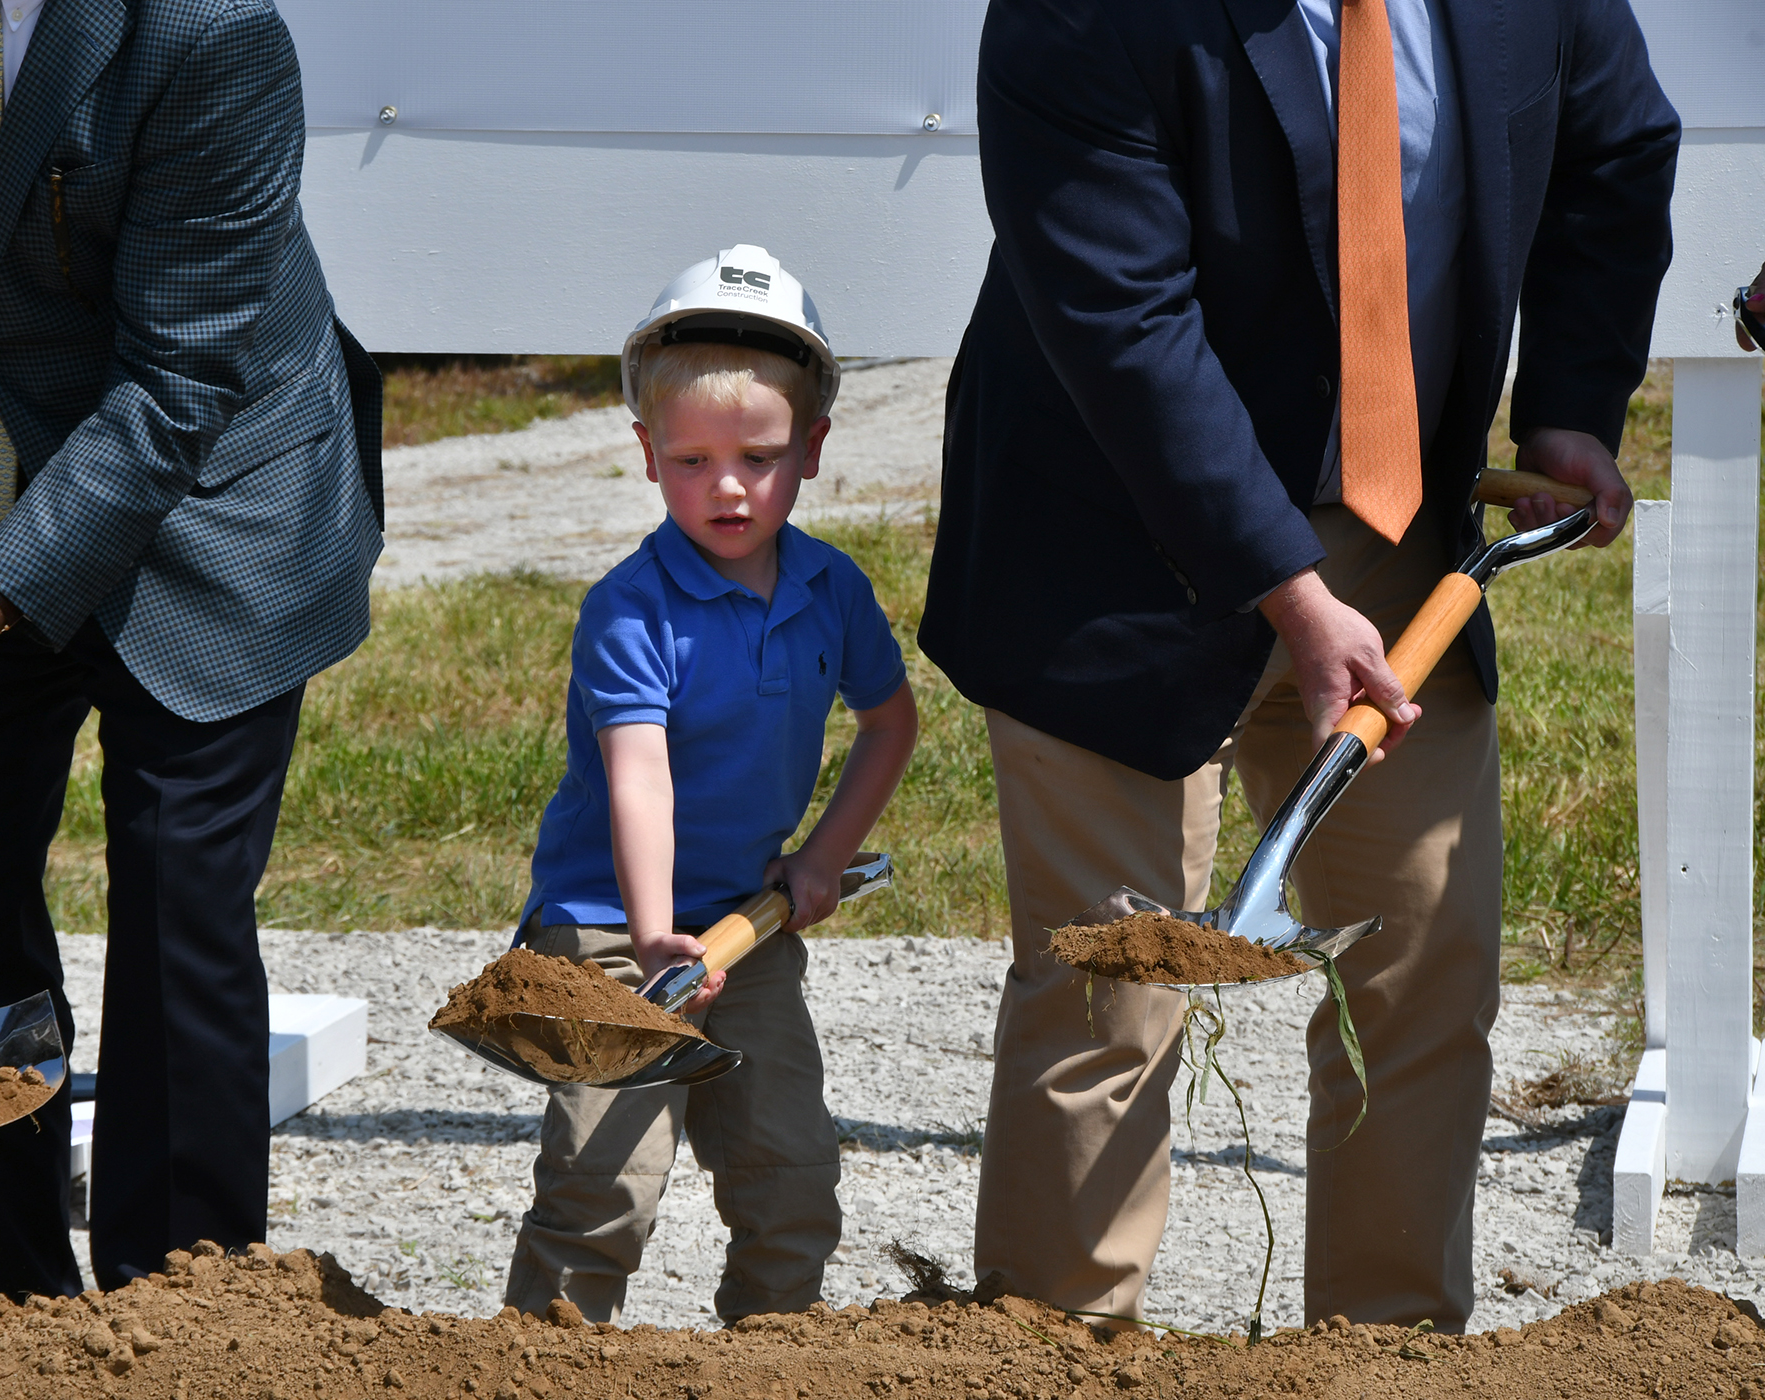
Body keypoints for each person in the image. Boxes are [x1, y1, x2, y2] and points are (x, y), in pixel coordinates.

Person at [920, 0, 1678, 1331]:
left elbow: (1617, 144)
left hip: (1397, 537)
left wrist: (1567, 401)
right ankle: (1055, 1352)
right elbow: (1122, 321)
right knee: (1117, 986)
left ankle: (1388, 1355)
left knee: (1425, 968)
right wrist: (1289, 591)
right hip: (1113, 545)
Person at [0, 0, 382, 1297]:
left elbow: (178, 384)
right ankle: (11, 1309)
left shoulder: (206, 32)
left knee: (175, 901)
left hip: (216, 491)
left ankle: (175, 1316)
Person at [501, 245, 919, 1325]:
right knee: (605, 1181)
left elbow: (891, 720)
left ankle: (769, 1357)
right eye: (689, 459)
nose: (725, 485)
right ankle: (543, 1364)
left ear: (813, 448)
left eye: (758, 456)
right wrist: (650, 940)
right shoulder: (631, 609)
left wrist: (824, 855)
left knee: (790, 1175)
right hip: (608, 933)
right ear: (645, 453)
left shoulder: (832, 588)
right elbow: (638, 779)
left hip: (750, 921)